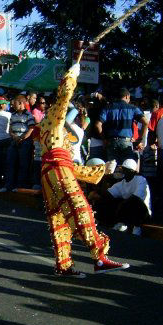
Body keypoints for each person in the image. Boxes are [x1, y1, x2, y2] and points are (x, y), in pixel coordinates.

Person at [38, 63, 128, 278]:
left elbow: (71, 167)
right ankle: (99, 256)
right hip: (56, 171)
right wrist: (73, 73)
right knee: (79, 207)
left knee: (59, 218)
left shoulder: (55, 131)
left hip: (53, 172)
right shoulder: (55, 118)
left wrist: (101, 169)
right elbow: (64, 95)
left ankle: (64, 265)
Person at [96, 159, 152, 236]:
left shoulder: (141, 180)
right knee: (106, 201)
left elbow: (136, 198)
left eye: (126, 170)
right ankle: (115, 223)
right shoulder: (121, 183)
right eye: (123, 169)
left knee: (134, 203)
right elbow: (108, 194)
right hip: (127, 212)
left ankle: (136, 228)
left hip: (143, 213)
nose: (124, 172)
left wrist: (121, 205)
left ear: (132, 171)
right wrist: (101, 183)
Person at [95, 87, 148, 164]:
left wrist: (104, 139)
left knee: (112, 168)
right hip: (126, 142)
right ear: (127, 96)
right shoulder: (133, 108)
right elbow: (145, 122)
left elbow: (97, 124)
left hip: (111, 142)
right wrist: (139, 139)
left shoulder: (108, 108)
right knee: (127, 168)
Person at [2, 94, 35, 192]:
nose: (12, 105)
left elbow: (31, 128)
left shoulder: (29, 115)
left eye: (15, 103)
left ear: (21, 103)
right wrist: (14, 137)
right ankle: (8, 185)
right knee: (10, 163)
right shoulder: (13, 115)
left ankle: (20, 186)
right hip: (14, 140)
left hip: (25, 142)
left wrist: (22, 138)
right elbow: (10, 129)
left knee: (23, 164)